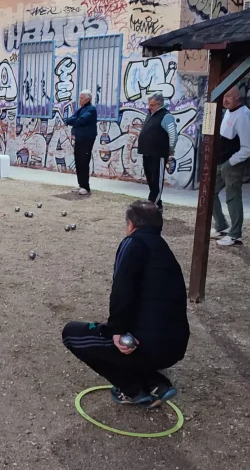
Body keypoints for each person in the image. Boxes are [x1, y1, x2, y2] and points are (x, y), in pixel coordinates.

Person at [62, 200, 189, 407]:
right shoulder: (164, 249)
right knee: (139, 341)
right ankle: (157, 384)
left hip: (147, 346)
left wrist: (117, 331)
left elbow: (122, 291)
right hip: (176, 346)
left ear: (131, 224)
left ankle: (132, 390)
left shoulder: (133, 243)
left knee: (71, 333)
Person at [212, 88, 250, 247]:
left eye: (229, 96)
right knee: (210, 192)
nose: (225, 99)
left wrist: (230, 162)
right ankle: (221, 225)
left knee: (233, 197)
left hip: (232, 164)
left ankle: (235, 234)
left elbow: (249, 146)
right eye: (224, 96)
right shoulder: (229, 112)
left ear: (238, 97)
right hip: (223, 162)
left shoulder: (243, 115)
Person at [137, 93, 177, 212]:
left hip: (158, 154)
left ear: (159, 104)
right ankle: (157, 205)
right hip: (147, 153)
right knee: (150, 181)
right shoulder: (150, 114)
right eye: (149, 104)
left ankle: (150, 207)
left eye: (152, 105)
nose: (149, 107)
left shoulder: (166, 116)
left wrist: (170, 150)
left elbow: (173, 135)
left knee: (156, 182)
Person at [65, 90, 97, 195]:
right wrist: (73, 120)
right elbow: (70, 119)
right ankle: (81, 184)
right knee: (78, 161)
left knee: (84, 161)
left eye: (82, 98)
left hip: (86, 139)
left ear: (88, 99)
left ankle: (85, 186)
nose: (80, 100)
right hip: (79, 139)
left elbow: (81, 120)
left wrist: (74, 121)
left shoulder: (91, 109)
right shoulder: (81, 109)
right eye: (80, 98)